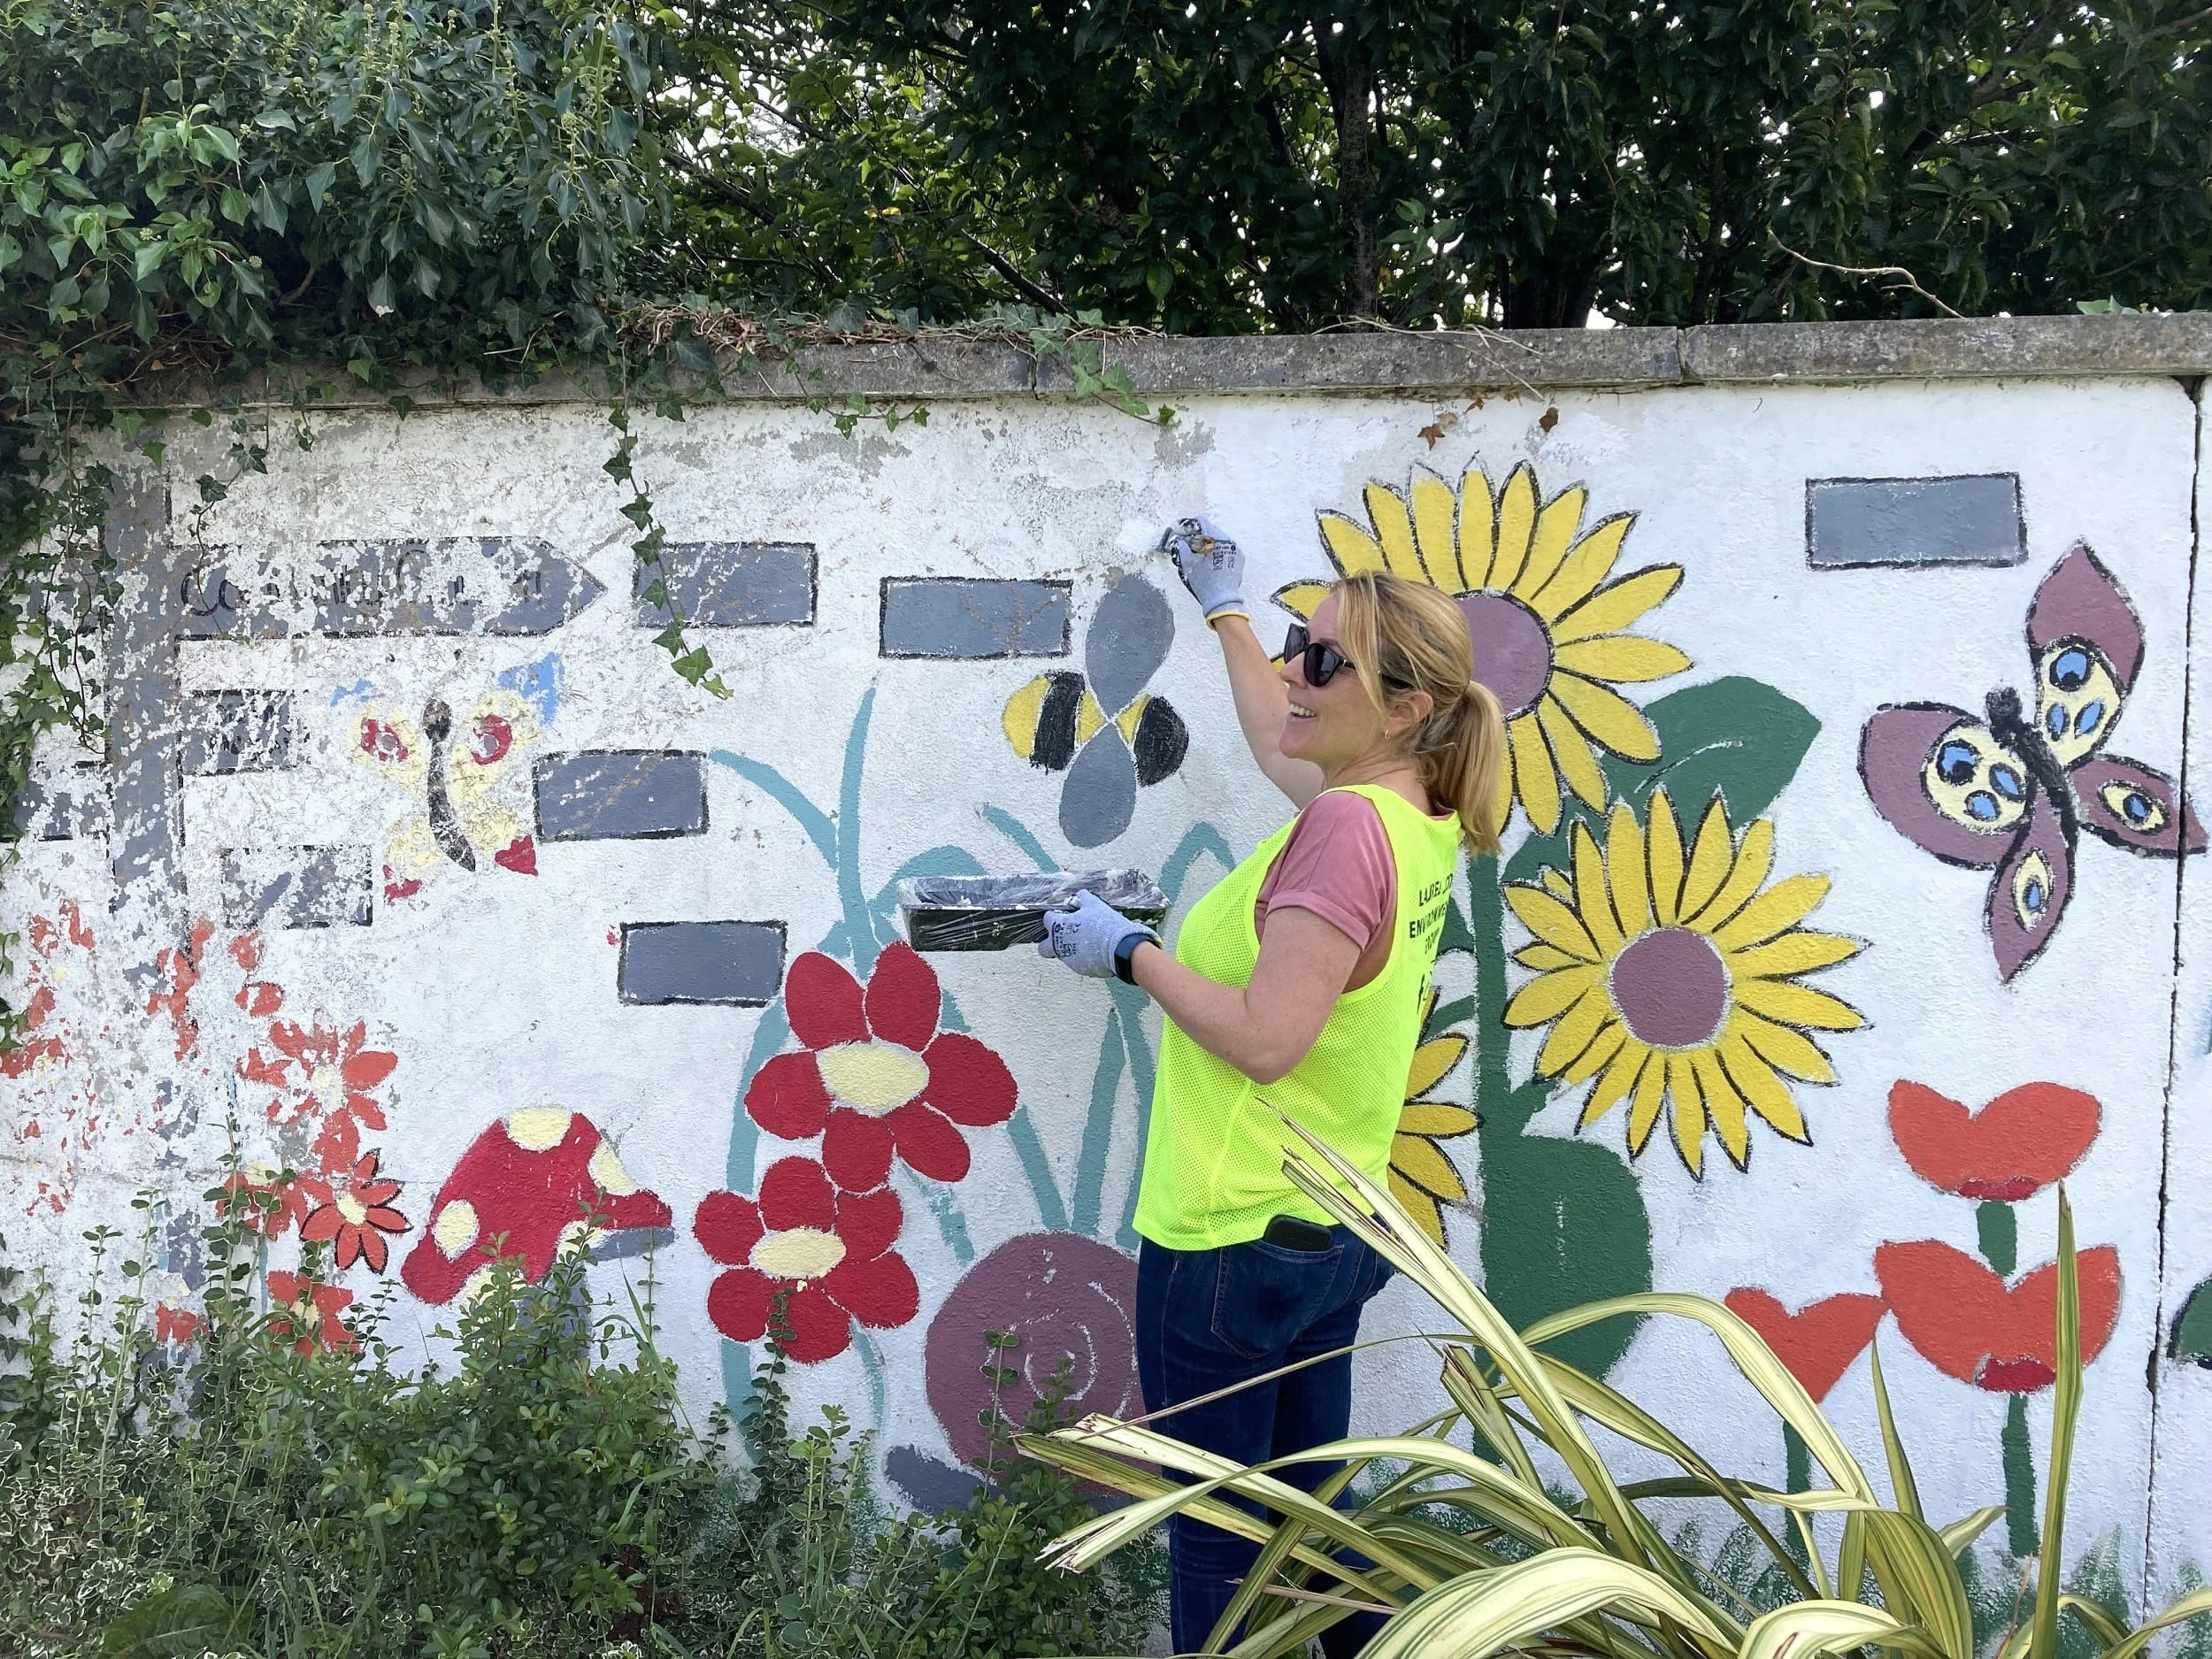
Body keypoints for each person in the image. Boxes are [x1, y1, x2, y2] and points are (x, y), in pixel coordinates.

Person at [1033, 517, 1507, 1655]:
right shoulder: (1407, 810)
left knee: (1218, 1539)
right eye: (1302, 641)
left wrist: (1130, 953)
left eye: (1325, 661)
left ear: (1401, 708)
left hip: (1230, 1233)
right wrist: (1226, 611)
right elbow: (1275, 732)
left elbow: (1264, 1038)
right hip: (1324, 1228)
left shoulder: (1346, 826)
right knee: (1312, 1526)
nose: (1297, 671)